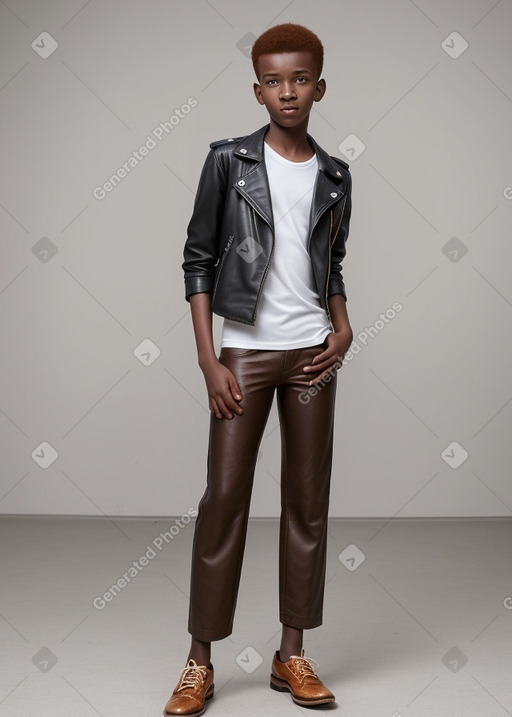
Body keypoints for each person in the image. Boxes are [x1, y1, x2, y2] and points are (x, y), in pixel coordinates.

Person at [163, 22, 354, 716]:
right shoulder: (229, 162)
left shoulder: (335, 174)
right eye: (274, 80)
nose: (288, 91)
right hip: (244, 352)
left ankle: (291, 653)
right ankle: (199, 661)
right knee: (224, 501)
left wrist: (343, 322)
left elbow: (330, 265)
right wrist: (209, 357)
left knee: (307, 502)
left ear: (320, 86)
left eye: (300, 78)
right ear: (257, 88)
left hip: (313, 354)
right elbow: (197, 259)